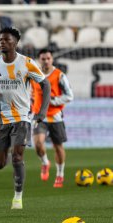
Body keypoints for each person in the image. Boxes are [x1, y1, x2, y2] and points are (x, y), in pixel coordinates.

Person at [0, 27, 50, 209]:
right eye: (0, 40)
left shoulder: (27, 63)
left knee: (17, 157)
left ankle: (18, 197)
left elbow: (45, 84)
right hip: (0, 118)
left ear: (15, 43)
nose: (2, 42)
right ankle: (6, 150)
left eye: (6, 40)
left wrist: (42, 111)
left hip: (22, 117)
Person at [31, 48, 73, 188]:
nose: (46, 61)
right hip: (39, 115)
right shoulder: (33, 75)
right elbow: (29, 92)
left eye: (48, 58)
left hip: (55, 116)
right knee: (38, 143)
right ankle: (45, 163)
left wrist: (53, 100)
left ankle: (60, 175)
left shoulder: (59, 76)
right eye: (43, 59)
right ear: (39, 60)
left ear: (52, 59)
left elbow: (69, 96)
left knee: (58, 147)